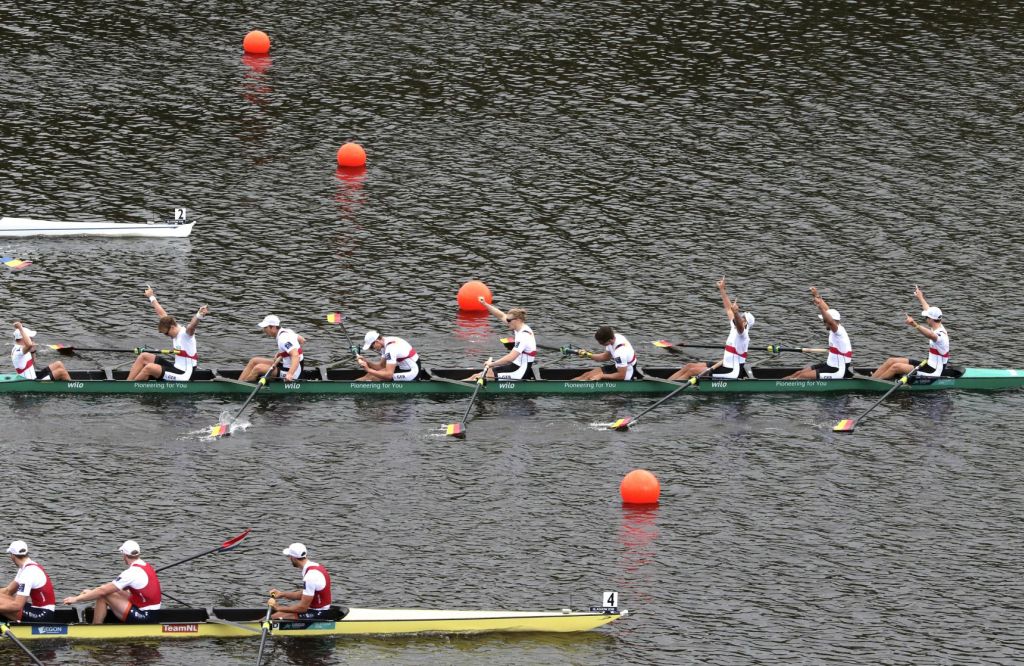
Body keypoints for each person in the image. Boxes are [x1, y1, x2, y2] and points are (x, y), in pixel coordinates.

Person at [669, 278, 754, 381]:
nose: (740, 317)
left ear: (746, 323)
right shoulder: (734, 325)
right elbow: (728, 309)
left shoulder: (743, 335)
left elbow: (740, 326)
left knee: (692, 371)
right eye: (741, 315)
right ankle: (667, 383)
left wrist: (736, 313)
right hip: (724, 365)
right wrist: (722, 289)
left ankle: (670, 387)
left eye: (743, 318)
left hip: (732, 372)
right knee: (689, 366)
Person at [61, 540, 161, 624]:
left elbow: (102, 591)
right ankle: (96, 626)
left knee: (103, 595)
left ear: (124, 555)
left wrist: (76, 599)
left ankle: (94, 630)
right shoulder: (146, 566)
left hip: (145, 617)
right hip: (152, 612)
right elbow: (110, 588)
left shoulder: (131, 573)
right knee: (108, 591)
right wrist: (91, 593)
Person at [126, 287, 208, 381]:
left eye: (166, 333)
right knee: (143, 356)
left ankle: (129, 387)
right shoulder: (172, 326)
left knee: (149, 368)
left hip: (185, 374)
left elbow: (192, 326)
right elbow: (161, 314)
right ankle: (127, 383)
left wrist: (199, 316)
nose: (166, 335)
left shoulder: (186, 334)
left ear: (172, 327)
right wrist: (151, 296)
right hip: (176, 368)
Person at [872, 286, 950, 380]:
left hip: (934, 371)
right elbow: (927, 308)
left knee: (896, 367)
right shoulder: (937, 324)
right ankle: (872, 379)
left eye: (926, 318)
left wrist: (915, 325)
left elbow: (931, 335)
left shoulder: (941, 336)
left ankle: (876, 383)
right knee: (891, 361)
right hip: (928, 364)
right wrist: (920, 297)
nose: (925, 319)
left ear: (931, 319)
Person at [784, 287, 854, 380]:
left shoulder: (838, 332)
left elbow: (830, 320)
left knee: (802, 377)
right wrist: (816, 295)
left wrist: (820, 307)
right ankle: (779, 384)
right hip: (829, 365)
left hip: (836, 370)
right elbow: (827, 310)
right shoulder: (836, 327)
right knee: (798, 373)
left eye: (825, 321)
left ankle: (782, 385)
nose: (824, 323)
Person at [467, 298, 537, 381]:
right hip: (514, 366)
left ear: (517, 320)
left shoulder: (524, 336)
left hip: (520, 372)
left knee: (482, 376)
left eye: (509, 320)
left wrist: (492, 364)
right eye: (507, 320)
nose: (507, 322)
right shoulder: (518, 327)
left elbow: (510, 358)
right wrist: (485, 304)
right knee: (476, 376)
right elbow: (501, 315)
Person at [267, 543, 333, 620]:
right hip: (316, 608)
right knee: (275, 615)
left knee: (274, 618)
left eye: (289, 556)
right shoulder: (314, 566)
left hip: (319, 613)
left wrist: (278, 608)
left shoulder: (310, 576)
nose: (289, 558)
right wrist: (282, 594)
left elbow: (302, 608)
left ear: (294, 558)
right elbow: (304, 594)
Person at [0, 540, 57, 622]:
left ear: (12, 556)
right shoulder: (25, 567)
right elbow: (8, 591)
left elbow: (17, 606)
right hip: (35, 609)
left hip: (43, 615)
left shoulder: (28, 573)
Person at [240, 315, 305, 382]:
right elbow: (302, 340)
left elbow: (295, 355)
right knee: (254, 361)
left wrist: (290, 374)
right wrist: (283, 353)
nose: (263, 330)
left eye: (265, 327)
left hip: (293, 373)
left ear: (273, 327)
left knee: (258, 368)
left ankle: (245, 387)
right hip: (286, 366)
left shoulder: (283, 339)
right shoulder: (288, 331)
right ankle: (240, 382)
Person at [571, 326, 640, 381]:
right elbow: (605, 357)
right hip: (620, 367)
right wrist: (587, 354)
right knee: (587, 374)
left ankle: (569, 386)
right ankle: (568, 384)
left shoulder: (620, 353)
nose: (600, 344)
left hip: (627, 372)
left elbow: (621, 376)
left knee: (589, 378)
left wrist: (601, 376)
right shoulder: (615, 337)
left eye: (602, 343)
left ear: (609, 340)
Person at [356, 330, 426, 381]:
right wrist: (366, 362)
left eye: (371, 347)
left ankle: (354, 386)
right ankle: (355, 383)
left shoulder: (390, 348)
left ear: (376, 342)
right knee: (370, 375)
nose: (372, 349)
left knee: (374, 377)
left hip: (412, 372)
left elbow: (388, 375)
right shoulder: (385, 343)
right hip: (404, 368)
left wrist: (368, 369)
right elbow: (381, 366)